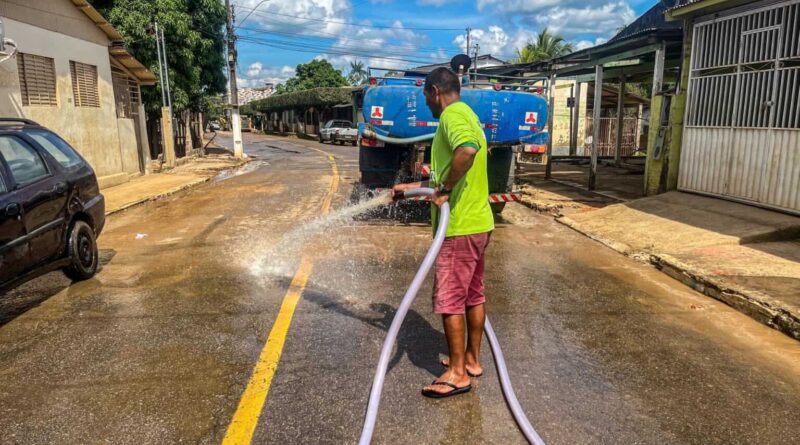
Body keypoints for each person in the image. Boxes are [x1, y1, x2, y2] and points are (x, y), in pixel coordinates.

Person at [392, 67, 494, 398]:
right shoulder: (469, 115)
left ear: (435, 91)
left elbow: (466, 151)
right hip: (479, 224)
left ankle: (457, 374)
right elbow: (449, 170)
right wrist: (410, 188)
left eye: (424, 95)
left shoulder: (452, 117)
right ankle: (471, 360)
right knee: (473, 295)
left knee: (450, 300)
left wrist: (445, 189)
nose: (425, 102)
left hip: (460, 228)